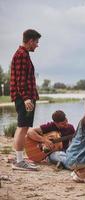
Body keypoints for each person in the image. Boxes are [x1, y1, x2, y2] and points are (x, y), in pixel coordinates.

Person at [10, 29, 41, 171]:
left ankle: (19, 159)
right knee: (23, 128)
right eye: (36, 42)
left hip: (25, 97)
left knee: (21, 127)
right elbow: (20, 80)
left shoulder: (23, 54)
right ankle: (19, 161)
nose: (37, 45)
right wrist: (27, 98)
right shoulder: (22, 55)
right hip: (24, 98)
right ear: (30, 41)